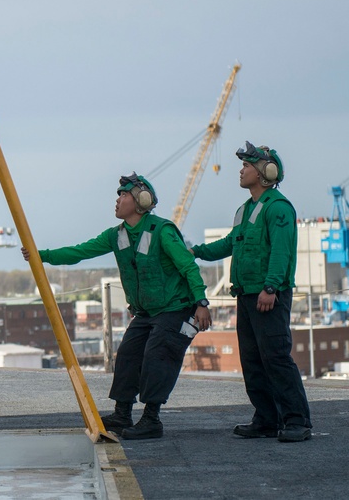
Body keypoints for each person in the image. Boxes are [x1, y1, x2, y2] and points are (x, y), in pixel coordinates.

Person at [21, 173, 211, 440]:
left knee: (158, 356)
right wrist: (41, 256)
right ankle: (122, 414)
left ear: (141, 201)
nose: (117, 200)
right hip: (146, 313)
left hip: (174, 309)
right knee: (128, 355)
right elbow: (80, 252)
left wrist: (201, 303)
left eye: (123, 195)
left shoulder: (162, 231)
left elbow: (188, 266)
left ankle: (151, 419)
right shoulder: (116, 235)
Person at [190, 142, 311, 442]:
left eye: (247, 166)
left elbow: (281, 252)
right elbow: (230, 243)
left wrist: (270, 287)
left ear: (264, 172)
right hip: (246, 296)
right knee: (253, 360)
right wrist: (195, 251)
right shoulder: (246, 210)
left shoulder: (278, 208)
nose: (241, 170)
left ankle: (297, 421)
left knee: (276, 358)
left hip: (268, 295)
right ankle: (267, 419)